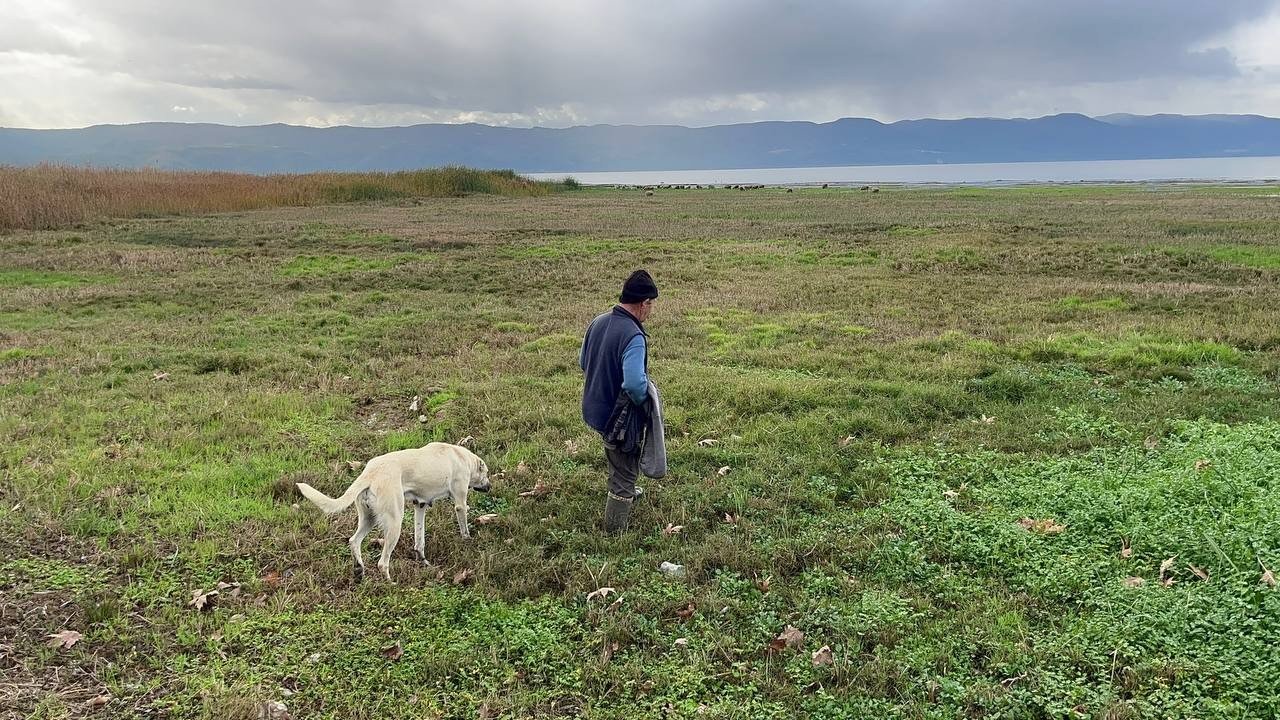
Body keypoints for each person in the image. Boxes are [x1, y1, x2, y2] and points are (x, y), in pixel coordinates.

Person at [580, 269, 659, 533]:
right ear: (643, 303)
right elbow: (635, 383)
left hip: (595, 408)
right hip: (620, 418)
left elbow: (583, 362)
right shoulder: (634, 336)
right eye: (651, 305)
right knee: (625, 468)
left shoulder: (598, 321)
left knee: (615, 456)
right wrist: (643, 402)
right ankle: (614, 531)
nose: (651, 311)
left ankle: (621, 485)